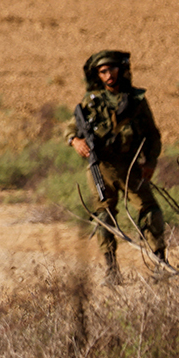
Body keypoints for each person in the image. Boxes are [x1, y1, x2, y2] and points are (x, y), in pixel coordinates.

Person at [64, 50, 166, 285]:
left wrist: (150, 162)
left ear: (122, 70)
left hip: (131, 166)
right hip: (101, 167)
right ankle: (111, 269)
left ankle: (160, 261)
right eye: (103, 71)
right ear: (97, 75)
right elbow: (70, 129)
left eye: (113, 69)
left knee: (150, 211)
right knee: (104, 215)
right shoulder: (90, 102)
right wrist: (75, 141)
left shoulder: (136, 100)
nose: (109, 75)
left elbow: (153, 135)